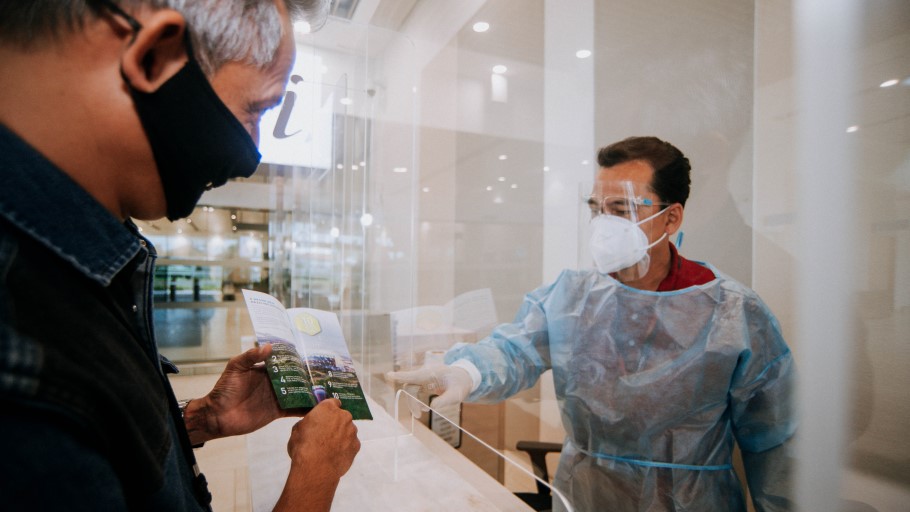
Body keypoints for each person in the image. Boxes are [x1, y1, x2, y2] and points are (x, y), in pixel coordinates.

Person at [0, 0, 360, 510]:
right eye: (255, 109)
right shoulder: (24, 358)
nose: (250, 153)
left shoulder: (82, 272)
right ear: (154, 57)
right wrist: (316, 474)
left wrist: (201, 419)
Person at [388, 136, 796, 511]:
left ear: (671, 219)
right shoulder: (573, 298)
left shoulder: (732, 314)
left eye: (621, 210)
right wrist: (463, 372)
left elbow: (776, 444)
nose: (604, 225)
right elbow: (514, 350)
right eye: (597, 210)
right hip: (585, 497)